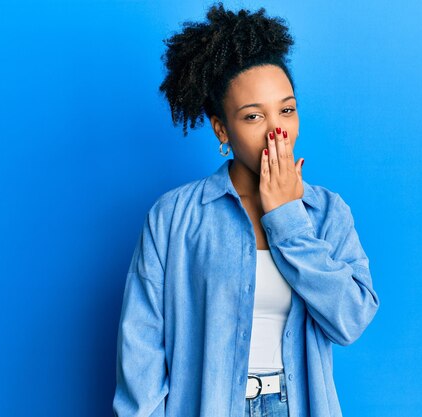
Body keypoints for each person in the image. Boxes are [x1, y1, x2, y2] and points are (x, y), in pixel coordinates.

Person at [112, 3, 380, 417]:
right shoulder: (173, 217)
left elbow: (349, 321)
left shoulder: (327, 212)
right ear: (222, 128)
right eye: (253, 116)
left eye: (287, 110)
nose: (277, 130)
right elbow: (141, 346)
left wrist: (288, 219)